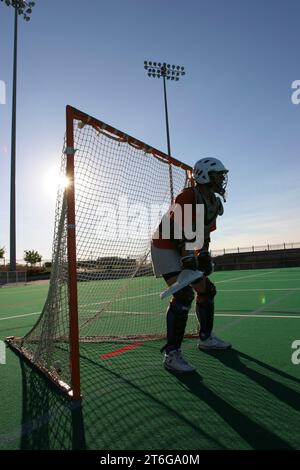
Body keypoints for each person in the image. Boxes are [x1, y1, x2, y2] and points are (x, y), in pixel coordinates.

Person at [151, 157, 231, 373]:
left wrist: (203, 254)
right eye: (218, 175)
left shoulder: (213, 203)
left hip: (184, 245)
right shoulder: (188, 196)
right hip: (166, 245)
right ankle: (172, 354)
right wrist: (188, 258)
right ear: (204, 175)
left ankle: (206, 338)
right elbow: (180, 229)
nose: (222, 179)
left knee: (207, 290)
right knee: (184, 294)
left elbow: (203, 232)